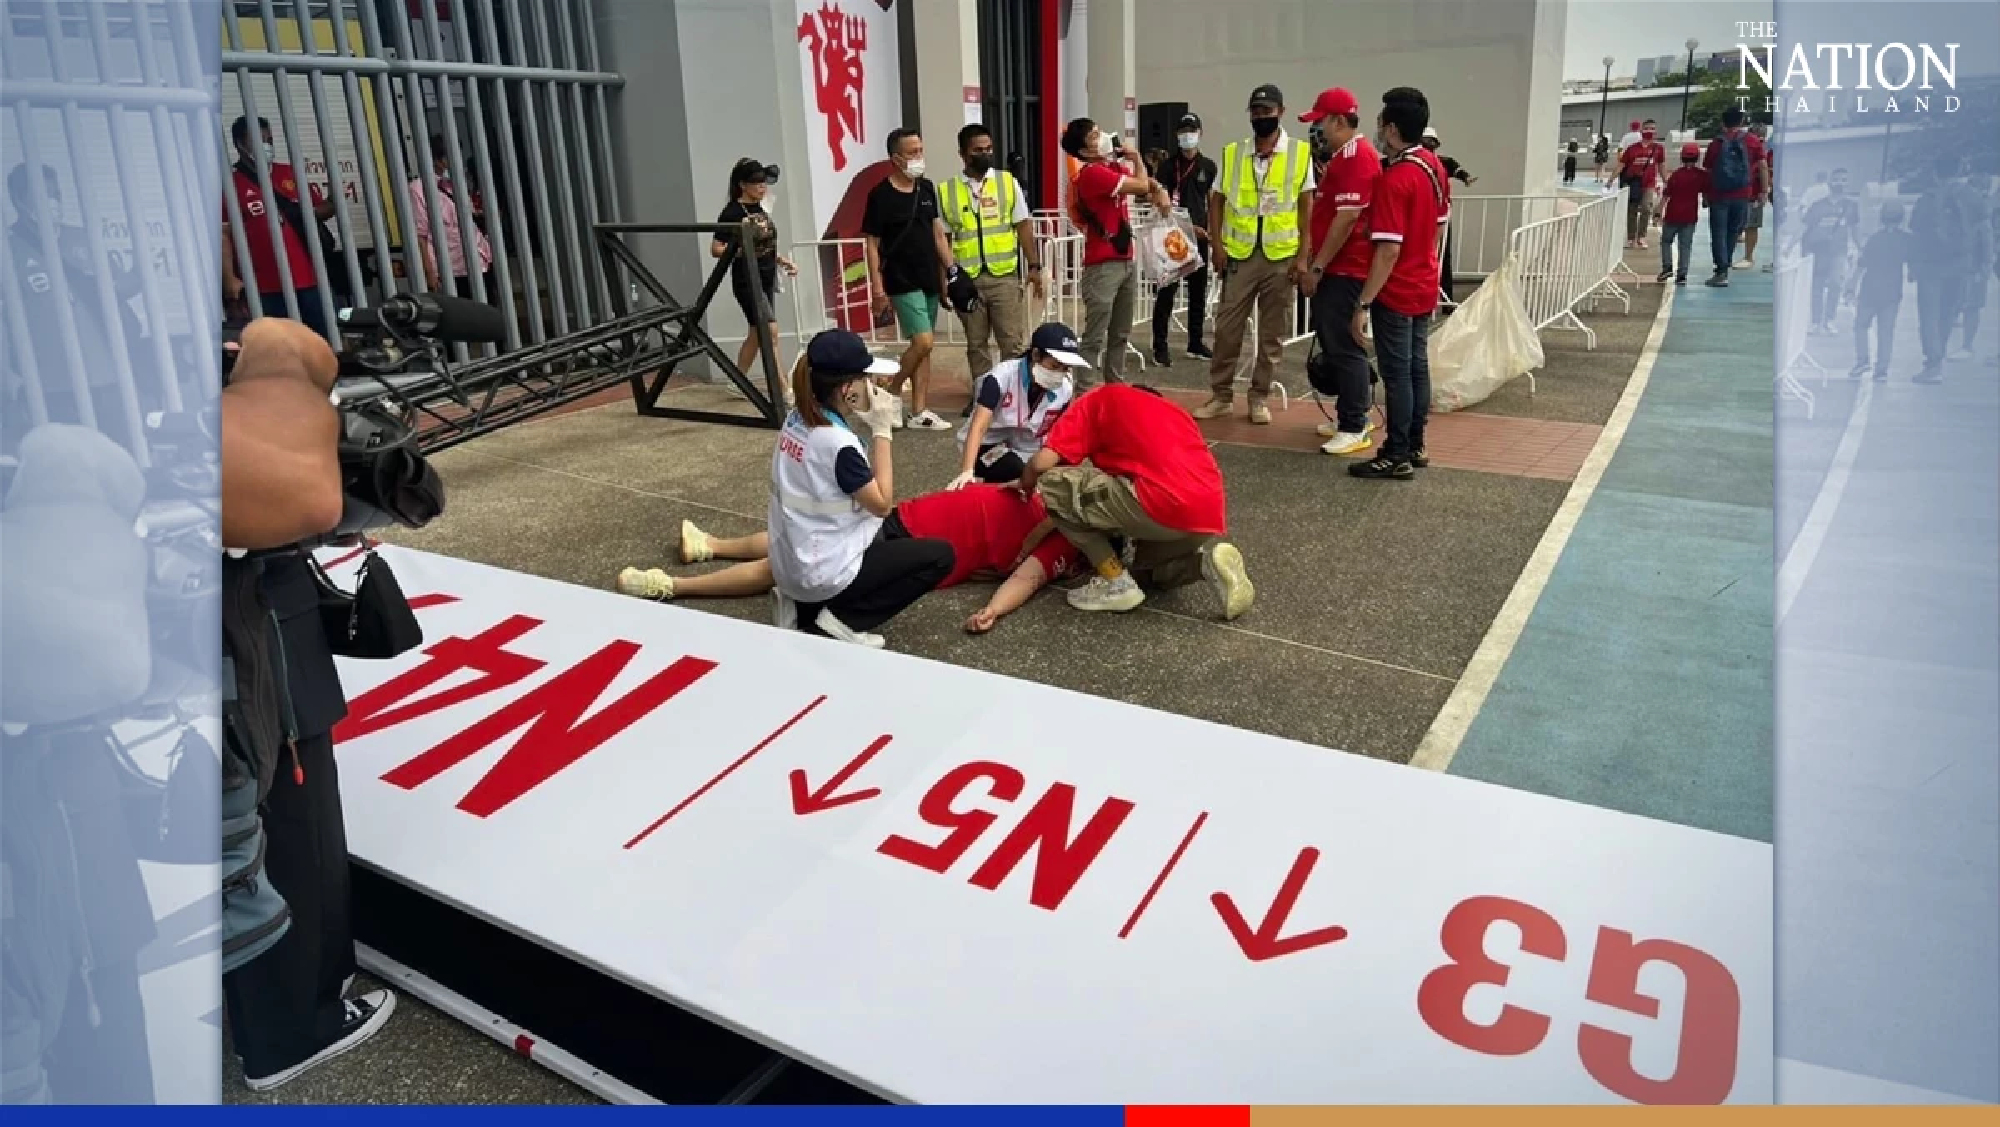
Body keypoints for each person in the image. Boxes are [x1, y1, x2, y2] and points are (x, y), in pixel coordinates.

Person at [220, 318, 396, 1092]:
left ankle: (277, 1004)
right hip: (251, 638)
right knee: (293, 828)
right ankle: (295, 1025)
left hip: (223, 627)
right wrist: (280, 373)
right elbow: (313, 499)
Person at [618, 483, 1084, 636]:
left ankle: (687, 571)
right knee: (795, 552)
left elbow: (1025, 576)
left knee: (793, 555)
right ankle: (696, 560)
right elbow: (1026, 575)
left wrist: (993, 608)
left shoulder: (1054, 509)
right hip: (908, 527)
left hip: (908, 524)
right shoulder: (1060, 510)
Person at [767, 330, 954, 646]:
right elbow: (882, 503)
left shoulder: (797, 418)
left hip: (792, 561)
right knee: (941, 556)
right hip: (820, 571)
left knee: (886, 533)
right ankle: (839, 622)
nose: (874, 385)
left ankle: (800, 607)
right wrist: (882, 430)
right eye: (866, 378)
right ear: (847, 390)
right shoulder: (837, 444)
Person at [1016, 383, 1252, 619]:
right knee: (1149, 575)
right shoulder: (1176, 413)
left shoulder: (1100, 398)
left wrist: (1025, 485)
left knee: (1053, 484)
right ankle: (1205, 565)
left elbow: (1041, 463)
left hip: (1162, 502)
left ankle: (1115, 582)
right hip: (1207, 513)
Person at [3, 163, 151, 457]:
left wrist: (141, 269)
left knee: (119, 452)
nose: (53, 201)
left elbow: (119, 288)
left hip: (107, 372)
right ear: (19, 200)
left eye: (55, 193)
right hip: (50, 382)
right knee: (68, 459)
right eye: (42, 194)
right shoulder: (8, 249)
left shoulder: (83, 238)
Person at [1193, 84, 1315, 425]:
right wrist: (1217, 246)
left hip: (1281, 257)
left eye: (1268, 111)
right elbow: (1216, 201)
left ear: (1281, 112)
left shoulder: (1299, 153)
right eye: (1256, 112)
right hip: (1240, 255)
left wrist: (1303, 257)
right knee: (1227, 329)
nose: (1262, 117)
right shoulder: (1234, 153)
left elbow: (1307, 208)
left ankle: (1259, 397)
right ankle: (1221, 395)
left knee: (1272, 334)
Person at [1348, 86, 1448, 482]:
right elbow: (1438, 226)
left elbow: (1388, 250)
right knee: (1417, 367)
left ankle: (1397, 451)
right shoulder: (1433, 167)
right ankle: (1416, 444)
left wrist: (1364, 302)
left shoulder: (1396, 179)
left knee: (1397, 374)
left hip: (1397, 289)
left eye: (1380, 124)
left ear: (1391, 130)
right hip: (1423, 281)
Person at [1297, 87, 1379, 457]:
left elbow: (1346, 218)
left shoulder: (1355, 157)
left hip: (1346, 268)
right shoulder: (1346, 157)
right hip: (1341, 266)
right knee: (1336, 343)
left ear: (1339, 121)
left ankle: (1354, 424)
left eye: (1321, 122)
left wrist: (1317, 266)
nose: (1317, 131)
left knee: (1344, 346)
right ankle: (1351, 413)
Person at [1063, 117, 1171, 387]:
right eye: (1094, 136)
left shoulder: (1110, 168)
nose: (1102, 137)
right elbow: (1141, 185)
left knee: (1120, 332)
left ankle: (1115, 386)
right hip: (1102, 265)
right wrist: (1137, 159)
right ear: (1084, 151)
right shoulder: (1092, 175)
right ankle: (1084, 390)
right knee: (1095, 335)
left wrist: (1157, 187)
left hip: (1124, 259)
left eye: (1099, 131)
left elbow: (1145, 184)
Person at [863, 128, 958, 431]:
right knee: (923, 340)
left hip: (928, 274)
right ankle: (891, 390)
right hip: (900, 278)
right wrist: (877, 287)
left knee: (925, 348)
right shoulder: (880, 195)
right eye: (911, 152)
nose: (919, 157)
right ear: (895, 158)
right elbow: (872, 244)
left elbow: (937, 233)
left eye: (920, 150)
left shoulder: (926, 188)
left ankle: (919, 410)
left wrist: (951, 271)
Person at [939, 124, 1043, 383]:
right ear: (963, 154)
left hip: (1004, 277)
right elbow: (944, 239)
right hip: (967, 280)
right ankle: (982, 394)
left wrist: (1034, 265)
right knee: (976, 345)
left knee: (1012, 342)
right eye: (978, 150)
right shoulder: (947, 190)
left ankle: (1014, 394)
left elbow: (1023, 225)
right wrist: (944, 279)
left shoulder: (1007, 183)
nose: (985, 154)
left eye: (989, 149)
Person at [222, 116, 337, 339]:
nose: (266, 146)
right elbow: (223, 234)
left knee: (324, 339)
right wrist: (230, 279)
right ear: (239, 144)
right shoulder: (230, 185)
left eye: (269, 140)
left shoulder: (290, 173)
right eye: (258, 140)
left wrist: (333, 201)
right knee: (278, 344)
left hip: (310, 279)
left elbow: (318, 212)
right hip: (263, 286)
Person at [952, 321, 1086, 488]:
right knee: (1013, 469)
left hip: (1027, 447)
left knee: (1060, 476)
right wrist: (967, 471)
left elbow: (1058, 434)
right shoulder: (1000, 377)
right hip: (987, 443)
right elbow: (979, 426)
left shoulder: (1064, 388)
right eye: (1055, 366)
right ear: (1035, 355)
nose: (1059, 374)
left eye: (1065, 368)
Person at [713, 157, 798, 380]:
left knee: (757, 332)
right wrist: (742, 250)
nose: (762, 188)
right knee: (769, 331)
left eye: (764, 183)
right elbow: (716, 248)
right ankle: (783, 388)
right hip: (747, 278)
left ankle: (738, 380)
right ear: (743, 185)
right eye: (757, 183)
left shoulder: (760, 208)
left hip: (766, 275)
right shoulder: (732, 212)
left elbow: (764, 245)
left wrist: (781, 260)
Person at [1151, 112, 1218, 366]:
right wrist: (1187, 227)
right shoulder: (1168, 167)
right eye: (1183, 132)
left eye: (1191, 131)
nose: (1187, 136)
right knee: (1167, 292)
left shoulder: (1208, 166)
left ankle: (1195, 342)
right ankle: (1160, 346)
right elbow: (1160, 202)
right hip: (1173, 237)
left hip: (1200, 237)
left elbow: (1211, 200)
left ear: (1200, 133)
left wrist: (1213, 232)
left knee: (1198, 293)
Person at [1909, 154, 1974, 384]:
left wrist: (1913, 264)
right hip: (1960, 264)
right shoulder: (1971, 196)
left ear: (1935, 174)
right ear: (1959, 171)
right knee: (1948, 314)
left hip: (1930, 265)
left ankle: (1933, 364)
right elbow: (1982, 227)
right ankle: (1940, 357)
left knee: (1929, 316)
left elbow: (1916, 231)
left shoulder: (1927, 199)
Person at [407, 133, 494, 301]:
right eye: (450, 156)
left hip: (479, 260)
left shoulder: (456, 184)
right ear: (436, 160)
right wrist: (430, 272)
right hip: (452, 269)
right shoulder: (418, 189)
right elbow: (420, 236)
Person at [1701, 106, 1767, 288]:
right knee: (1733, 231)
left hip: (1719, 194)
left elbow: (1708, 170)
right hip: (1743, 193)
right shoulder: (1752, 141)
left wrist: (1705, 194)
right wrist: (1764, 190)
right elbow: (1762, 165)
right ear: (1742, 121)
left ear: (1723, 122)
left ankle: (1721, 271)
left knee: (1718, 232)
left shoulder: (1716, 143)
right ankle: (1727, 262)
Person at [1849, 200, 1912, 382]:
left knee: (1861, 325)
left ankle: (1863, 361)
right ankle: (1882, 370)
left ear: (1882, 218)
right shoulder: (1906, 240)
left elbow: (1862, 265)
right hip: (1892, 292)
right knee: (1886, 331)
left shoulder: (1875, 239)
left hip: (1870, 290)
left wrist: (1851, 286)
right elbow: (1913, 264)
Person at [1801, 167, 1860, 335]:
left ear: (1847, 183)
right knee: (1817, 286)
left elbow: (1855, 229)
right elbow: (1806, 227)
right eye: (1836, 179)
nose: (1839, 183)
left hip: (1839, 251)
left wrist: (1860, 247)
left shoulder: (1851, 206)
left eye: (1843, 180)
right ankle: (1816, 321)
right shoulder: (1818, 205)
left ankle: (1829, 319)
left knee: (1836, 283)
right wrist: (1792, 247)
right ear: (1830, 182)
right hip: (1819, 251)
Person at [1949, 176, 1994, 361]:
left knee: (1971, 307)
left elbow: (1987, 248)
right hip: (1962, 269)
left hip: (1974, 270)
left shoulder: (1981, 222)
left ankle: (1967, 345)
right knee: (1961, 304)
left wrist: (1984, 271)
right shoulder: (1963, 218)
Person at [1656, 143, 1706, 286]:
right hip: (1690, 216)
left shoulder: (1676, 175)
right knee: (1685, 245)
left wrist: (1658, 211)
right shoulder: (1701, 175)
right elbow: (1707, 191)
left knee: (1666, 241)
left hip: (1673, 214)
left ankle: (1667, 267)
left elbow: (1666, 195)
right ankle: (1682, 274)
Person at [1606, 127, 1665, 249]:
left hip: (1648, 184)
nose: (1649, 132)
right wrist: (1611, 179)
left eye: (1652, 129)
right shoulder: (1632, 149)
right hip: (1633, 183)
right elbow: (1621, 165)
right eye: (1647, 129)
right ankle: (1631, 237)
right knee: (1631, 210)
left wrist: (1666, 180)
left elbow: (1661, 166)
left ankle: (1641, 236)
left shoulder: (1658, 148)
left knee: (1646, 208)